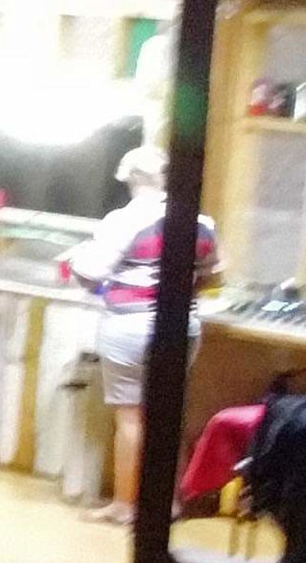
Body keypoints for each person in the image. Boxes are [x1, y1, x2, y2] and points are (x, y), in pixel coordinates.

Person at [63, 144, 218, 523]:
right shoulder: (202, 222)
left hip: (130, 326)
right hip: (182, 326)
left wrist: (74, 260)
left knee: (131, 417)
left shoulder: (124, 220)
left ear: (132, 179)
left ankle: (126, 505)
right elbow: (216, 272)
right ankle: (169, 505)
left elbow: (92, 273)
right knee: (167, 414)